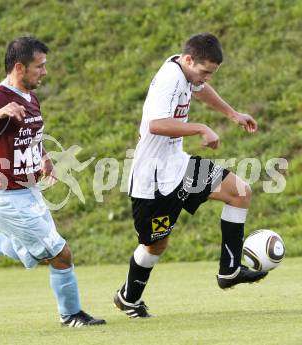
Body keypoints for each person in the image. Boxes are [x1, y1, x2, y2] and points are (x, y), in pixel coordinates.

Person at [0, 36, 105, 328]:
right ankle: (71, 314)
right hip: (7, 198)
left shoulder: (31, 97)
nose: (44, 72)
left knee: (34, 256)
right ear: (19, 67)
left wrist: (43, 157)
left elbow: (30, 135)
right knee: (61, 253)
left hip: (28, 192)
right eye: (39, 66)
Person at [113, 33, 268, 318]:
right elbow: (156, 125)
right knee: (155, 245)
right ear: (188, 60)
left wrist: (232, 114)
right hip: (154, 179)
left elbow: (200, 89)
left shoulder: (187, 73)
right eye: (204, 71)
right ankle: (129, 298)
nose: (206, 78)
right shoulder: (170, 79)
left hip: (178, 165)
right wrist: (200, 128)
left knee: (240, 192)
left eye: (211, 73)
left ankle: (229, 270)